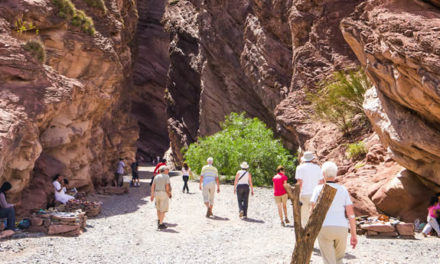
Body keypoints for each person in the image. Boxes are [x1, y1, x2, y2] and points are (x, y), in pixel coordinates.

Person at [311, 161, 357, 264]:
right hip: (342, 228)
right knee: (339, 260)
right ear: (335, 174)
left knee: (329, 261)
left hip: (325, 227)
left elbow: (312, 211)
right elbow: (351, 215)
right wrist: (353, 234)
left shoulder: (318, 189)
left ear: (323, 174)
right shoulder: (343, 190)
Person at [295, 151, 324, 227]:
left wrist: (298, 195)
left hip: (304, 193)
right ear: (312, 159)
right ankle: (314, 230)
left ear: (303, 159)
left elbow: (299, 183)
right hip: (315, 193)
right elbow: (321, 182)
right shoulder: (317, 168)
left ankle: (305, 231)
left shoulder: (299, 168)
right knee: (314, 213)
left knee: (304, 214)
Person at [150, 165, 172, 230]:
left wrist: (152, 195)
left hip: (157, 193)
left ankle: (159, 220)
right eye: (167, 169)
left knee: (158, 208)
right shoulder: (166, 176)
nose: (168, 171)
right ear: (164, 170)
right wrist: (169, 194)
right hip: (164, 193)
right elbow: (167, 186)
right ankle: (161, 224)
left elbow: (153, 186)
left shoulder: (156, 176)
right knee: (163, 209)